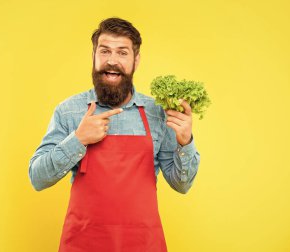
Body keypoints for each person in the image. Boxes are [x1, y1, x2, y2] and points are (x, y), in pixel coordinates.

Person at [28, 17, 200, 252]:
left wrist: (185, 142)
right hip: (84, 243)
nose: (112, 61)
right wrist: (78, 139)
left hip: (142, 244)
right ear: (94, 56)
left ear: (135, 60)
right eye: (105, 51)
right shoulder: (69, 111)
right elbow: (37, 178)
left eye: (122, 53)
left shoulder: (157, 113)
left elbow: (182, 185)